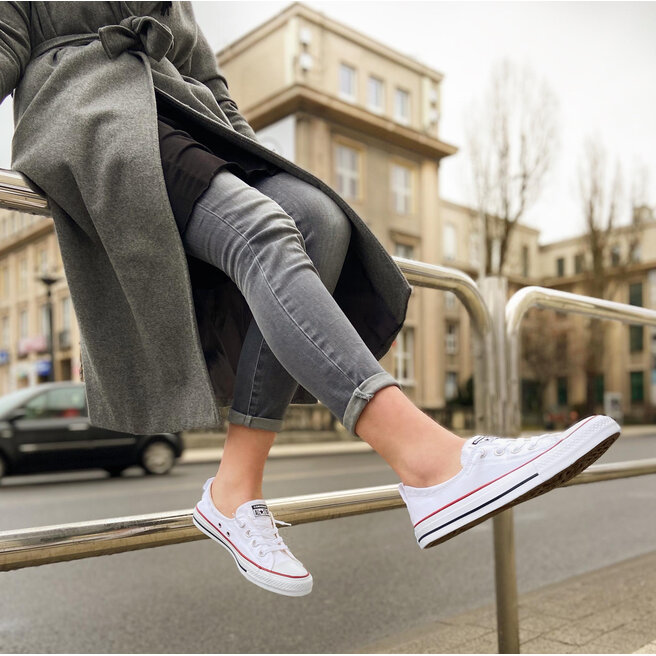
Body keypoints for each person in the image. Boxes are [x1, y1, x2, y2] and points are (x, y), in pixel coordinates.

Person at [1, 2, 621, 599]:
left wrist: (267, 174)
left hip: (180, 114)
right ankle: (430, 463)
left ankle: (234, 490)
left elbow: (211, 85)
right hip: (85, 113)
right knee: (260, 230)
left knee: (317, 216)